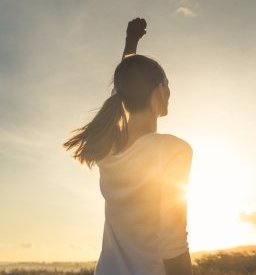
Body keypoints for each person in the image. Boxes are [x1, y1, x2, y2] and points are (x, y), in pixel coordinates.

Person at [62, 18, 194, 275]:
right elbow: (173, 244)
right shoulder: (174, 151)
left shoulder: (108, 150)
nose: (170, 92)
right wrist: (130, 43)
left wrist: (131, 42)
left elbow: (123, 88)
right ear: (159, 90)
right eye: (168, 84)